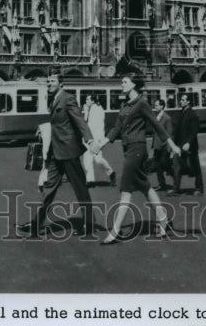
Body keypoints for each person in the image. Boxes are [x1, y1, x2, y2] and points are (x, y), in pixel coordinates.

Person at [95, 76, 181, 244]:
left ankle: (115, 230)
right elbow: (116, 128)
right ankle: (163, 218)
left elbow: (157, 126)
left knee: (125, 190)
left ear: (134, 84)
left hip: (137, 149)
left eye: (125, 82)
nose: (122, 84)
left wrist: (173, 144)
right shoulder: (124, 105)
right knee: (145, 186)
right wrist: (101, 144)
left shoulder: (142, 103)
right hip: (128, 149)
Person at [17, 75, 100, 238]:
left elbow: (80, 121)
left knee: (80, 189)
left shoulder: (68, 99)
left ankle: (89, 224)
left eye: (52, 81)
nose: (49, 83)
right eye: (48, 81)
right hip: (56, 152)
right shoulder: (53, 99)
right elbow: (57, 125)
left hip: (69, 152)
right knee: (48, 189)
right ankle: (35, 224)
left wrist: (90, 140)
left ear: (61, 84)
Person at [170, 92, 204, 195]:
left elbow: (194, 130)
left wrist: (189, 142)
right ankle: (176, 188)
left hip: (190, 146)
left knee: (195, 166)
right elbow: (177, 130)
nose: (180, 101)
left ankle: (199, 188)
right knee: (176, 166)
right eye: (181, 100)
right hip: (180, 145)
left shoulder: (193, 114)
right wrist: (173, 145)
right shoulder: (181, 112)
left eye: (183, 100)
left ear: (188, 102)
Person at [81, 94, 116, 188]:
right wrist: (86, 111)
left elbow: (100, 126)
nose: (86, 101)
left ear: (93, 101)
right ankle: (90, 181)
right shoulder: (89, 109)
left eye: (88, 99)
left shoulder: (98, 110)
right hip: (88, 139)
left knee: (98, 160)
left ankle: (111, 173)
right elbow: (85, 123)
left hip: (96, 139)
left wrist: (99, 141)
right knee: (87, 160)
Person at [150, 96, 174, 191]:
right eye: (155, 105)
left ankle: (176, 181)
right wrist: (152, 145)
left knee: (165, 165)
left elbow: (170, 133)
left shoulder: (167, 118)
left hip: (164, 146)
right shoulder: (155, 117)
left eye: (156, 105)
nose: (155, 106)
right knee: (158, 167)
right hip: (157, 146)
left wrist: (169, 148)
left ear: (162, 106)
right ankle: (162, 184)